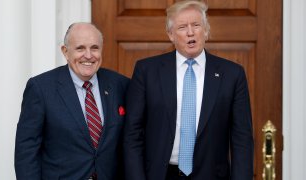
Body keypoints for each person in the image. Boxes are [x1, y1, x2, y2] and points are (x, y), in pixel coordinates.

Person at [123, 1, 254, 180]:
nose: (190, 32)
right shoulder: (147, 71)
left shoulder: (232, 74)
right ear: (171, 35)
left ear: (206, 31)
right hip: (161, 174)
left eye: (196, 25)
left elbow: (242, 139)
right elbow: (132, 134)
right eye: (182, 27)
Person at [15, 22, 129, 180]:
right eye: (80, 48)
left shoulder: (121, 85)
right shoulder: (41, 88)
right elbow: (26, 150)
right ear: (65, 51)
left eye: (94, 48)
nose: (88, 55)